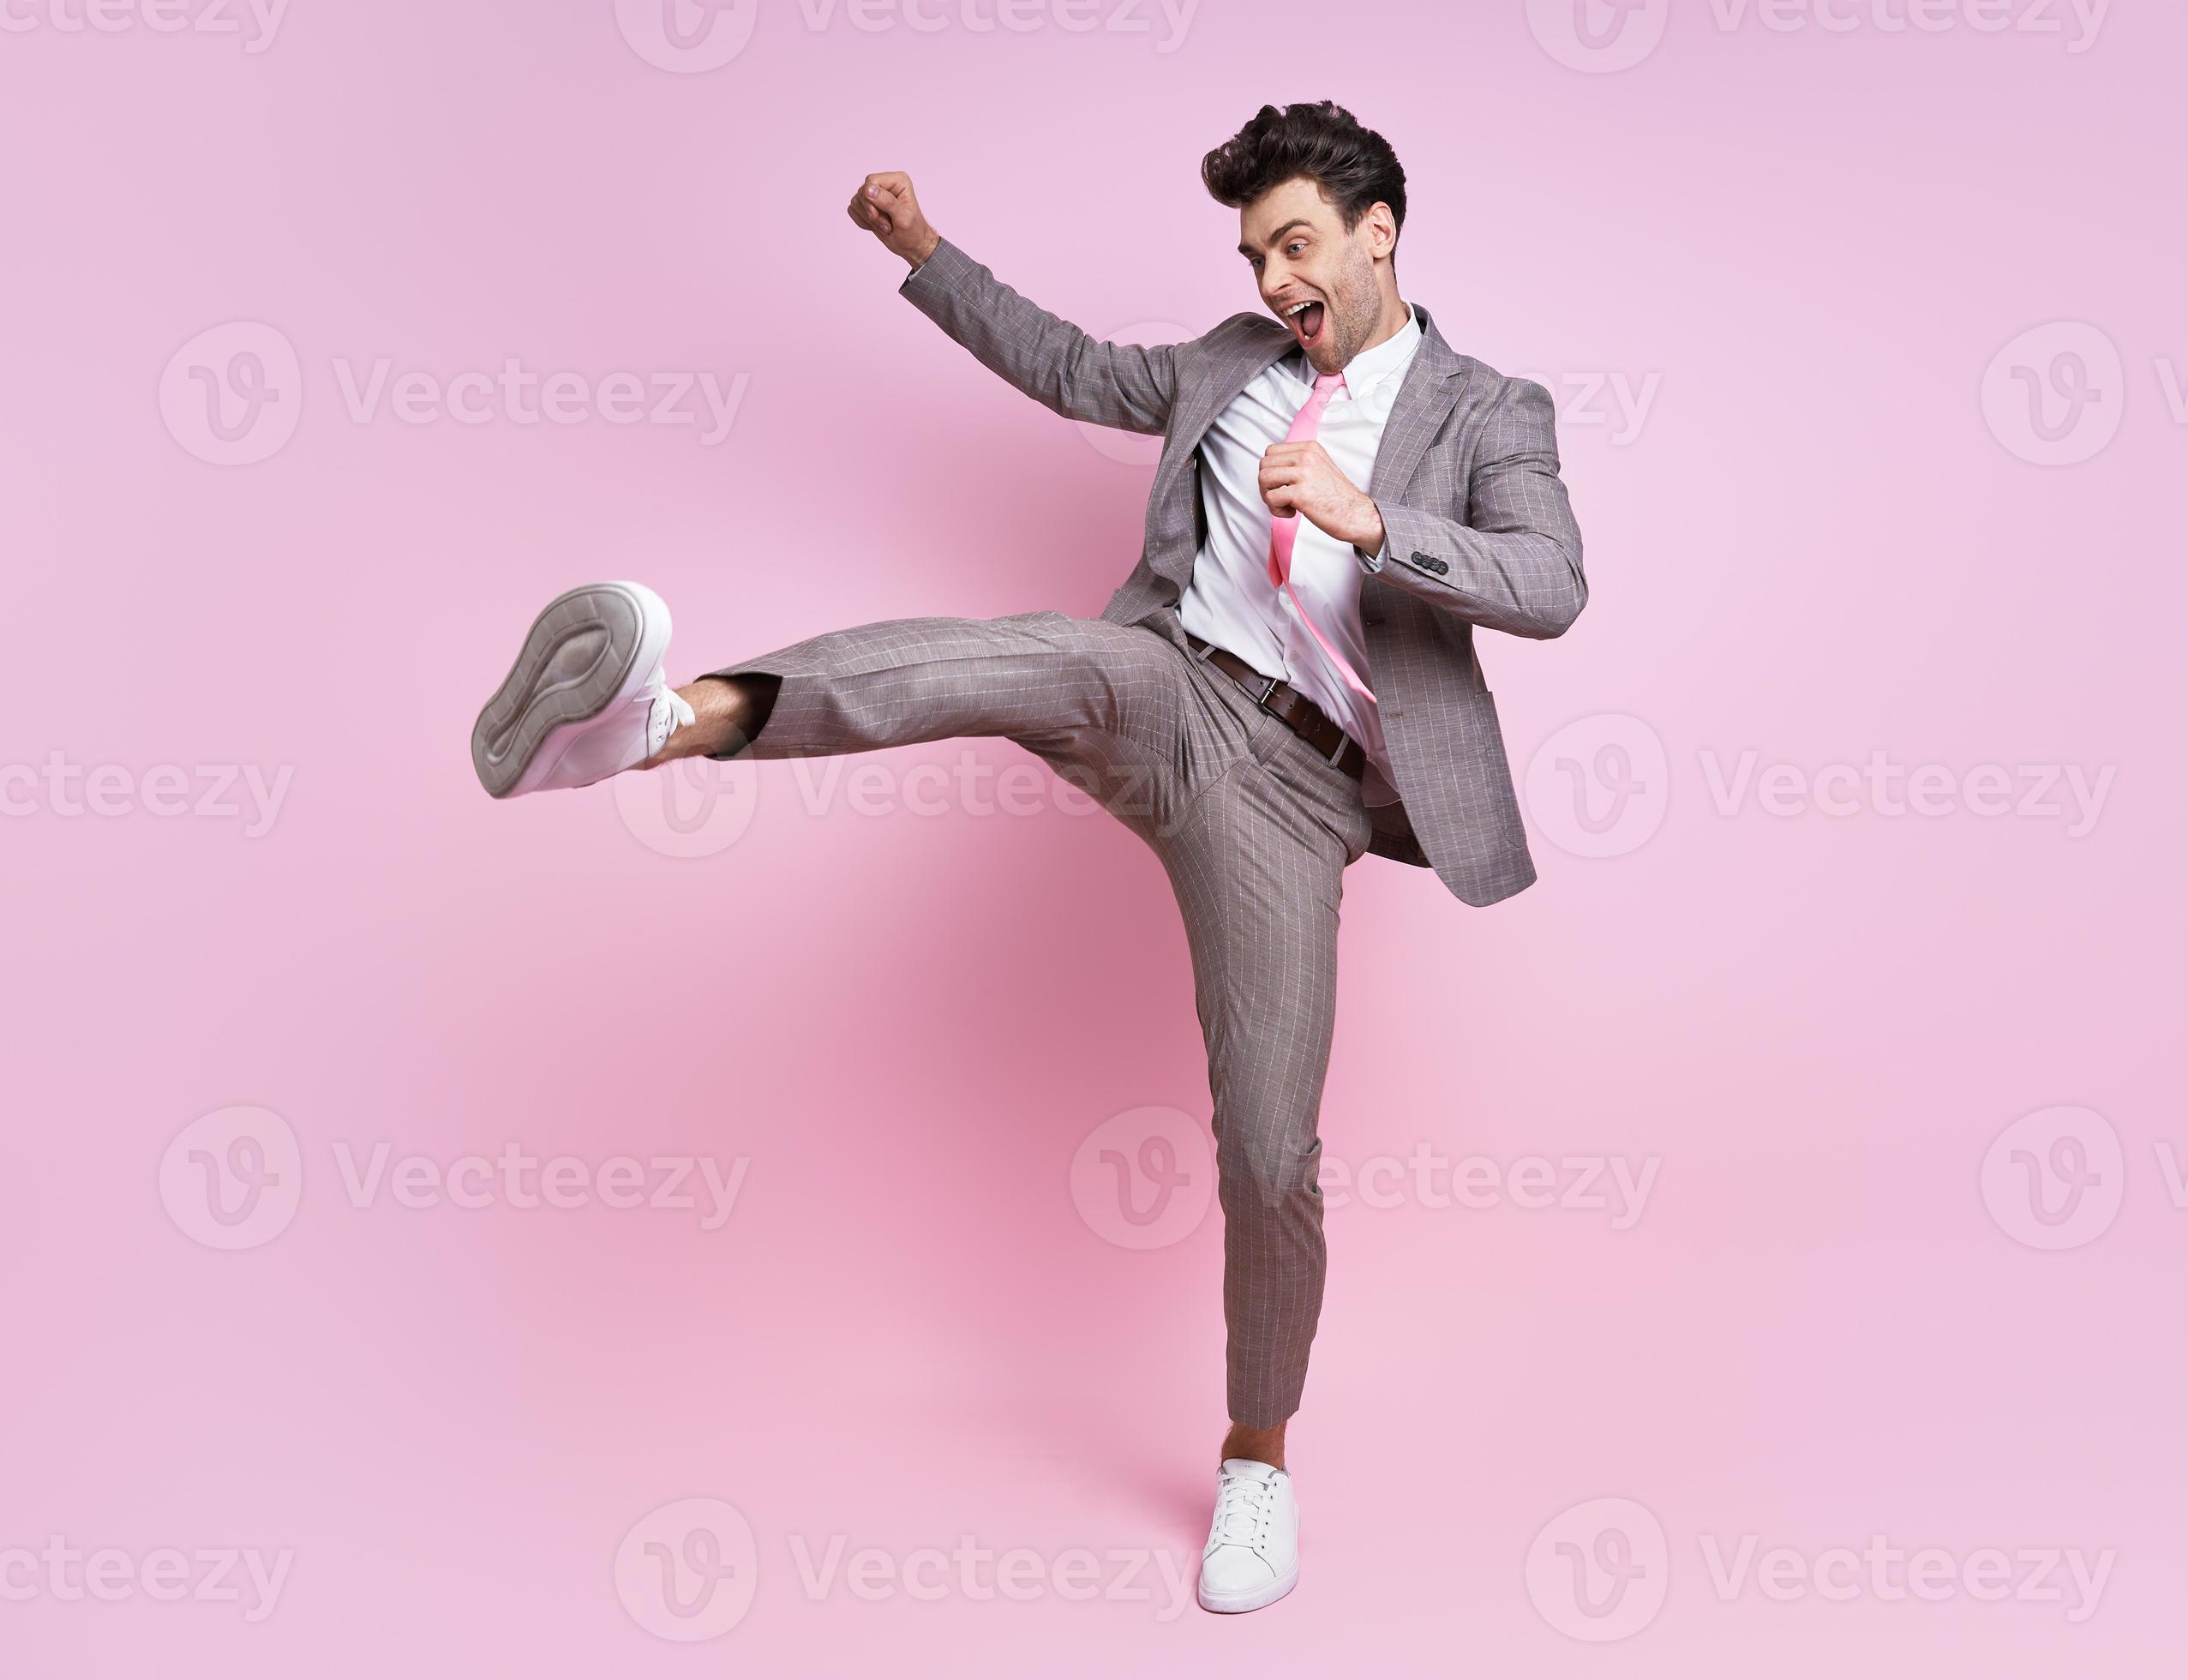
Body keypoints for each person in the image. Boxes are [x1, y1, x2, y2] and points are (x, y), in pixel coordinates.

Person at [468, 100, 1586, 1614]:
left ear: (1378, 234)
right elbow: (1066, 366)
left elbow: (1549, 582)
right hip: (1170, 683)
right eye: (1257, 253)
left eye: (1296, 245)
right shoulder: (1228, 366)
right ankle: (662, 722)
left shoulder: (1489, 407)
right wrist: (923, 250)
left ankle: (1256, 1460)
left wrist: (1375, 519)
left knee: (1269, 1147)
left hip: (1302, 799)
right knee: (1028, 657)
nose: (1273, 278)